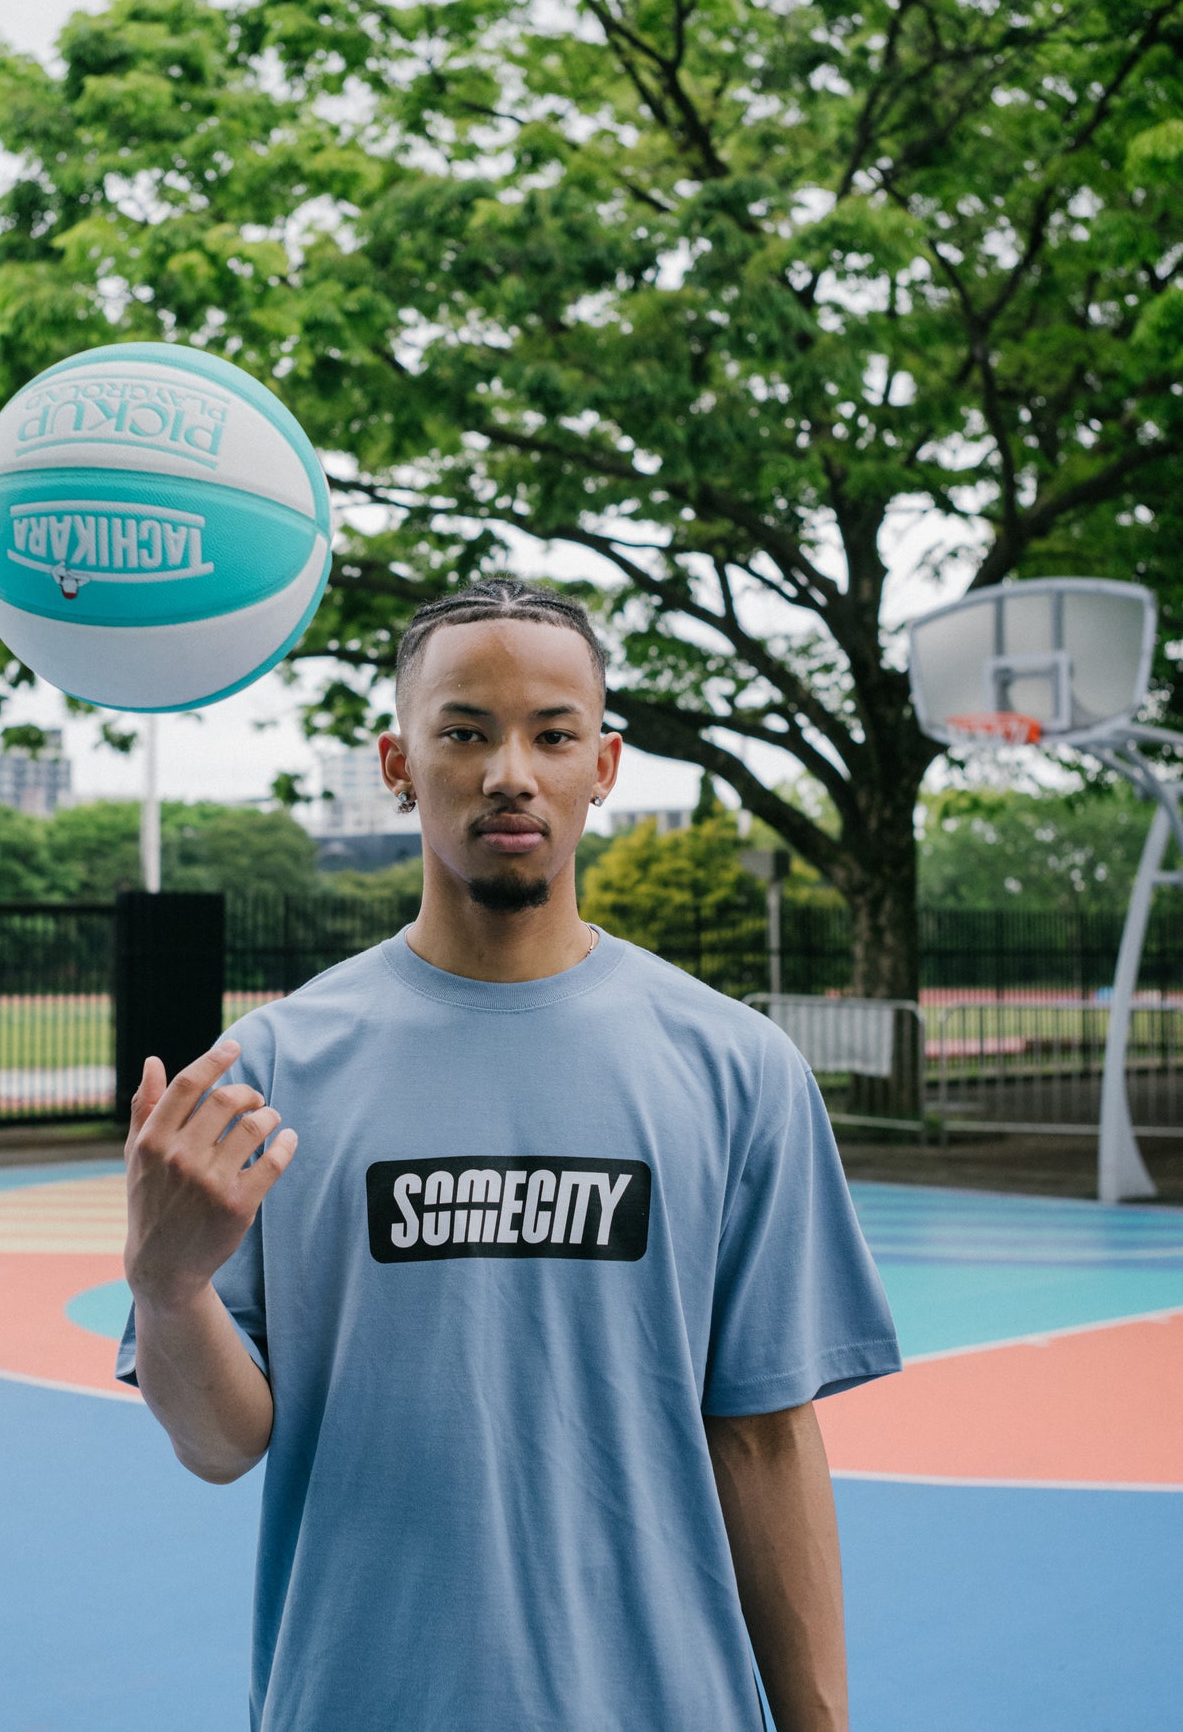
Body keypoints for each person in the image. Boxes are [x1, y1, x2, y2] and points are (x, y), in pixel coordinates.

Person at [118, 580, 901, 1732]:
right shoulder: (273, 1068)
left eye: (551, 733)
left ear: (605, 764)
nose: (508, 773)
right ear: (397, 761)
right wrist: (166, 1281)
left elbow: (766, 1437)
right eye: (464, 732)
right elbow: (220, 1444)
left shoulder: (735, 1067)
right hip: (359, 1700)